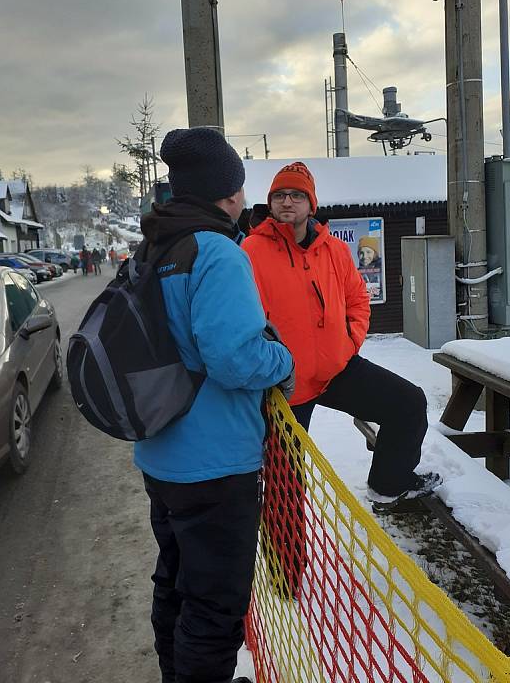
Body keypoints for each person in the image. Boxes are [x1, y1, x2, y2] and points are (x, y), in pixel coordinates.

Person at [134, 127, 294, 683]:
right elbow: (234, 360)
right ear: (227, 193)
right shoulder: (216, 251)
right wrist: (285, 361)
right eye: (239, 188)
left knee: (176, 583)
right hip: (216, 462)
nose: (243, 200)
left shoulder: (154, 245)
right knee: (215, 607)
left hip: (161, 454)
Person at [243, 161, 441, 507]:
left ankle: (389, 485)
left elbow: (357, 300)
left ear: (311, 204)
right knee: (284, 485)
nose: (287, 202)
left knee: (408, 404)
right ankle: (287, 562)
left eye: (296, 196)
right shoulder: (251, 252)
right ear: (270, 203)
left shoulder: (333, 249)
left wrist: (348, 344)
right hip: (284, 384)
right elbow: (243, 320)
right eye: (279, 196)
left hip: (336, 369)